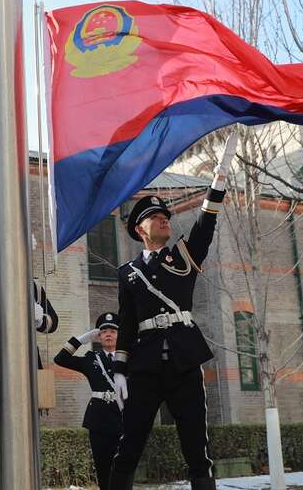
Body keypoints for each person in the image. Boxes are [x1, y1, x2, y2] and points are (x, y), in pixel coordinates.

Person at [108, 136, 238, 490]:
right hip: (145, 366)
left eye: (165, 215)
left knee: (197, 447)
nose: (164, 220)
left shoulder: (184, 254)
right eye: (155, 217)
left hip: (183, 360)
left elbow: (206, 224)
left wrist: (219, 179)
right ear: (140, 229)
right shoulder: (128, 273)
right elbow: (127, 323)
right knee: (129, 445)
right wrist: (119, 369)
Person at [0, 226, 59, 485]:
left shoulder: (32, 286)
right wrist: (17, 272)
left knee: (27, 443)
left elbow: (52, 323)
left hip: (26, 361)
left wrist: (38, 315)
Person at [54, 312, 123, 490]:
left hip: (124, 417)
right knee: (103, 467)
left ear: (119, 335)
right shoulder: (92, 359)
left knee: (124, 467)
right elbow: (60, 359)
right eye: (104, 331)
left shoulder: (129, 358)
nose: (108, 334)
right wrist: (80, 340)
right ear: (98, 336)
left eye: (113, 331)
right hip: (99, 420)